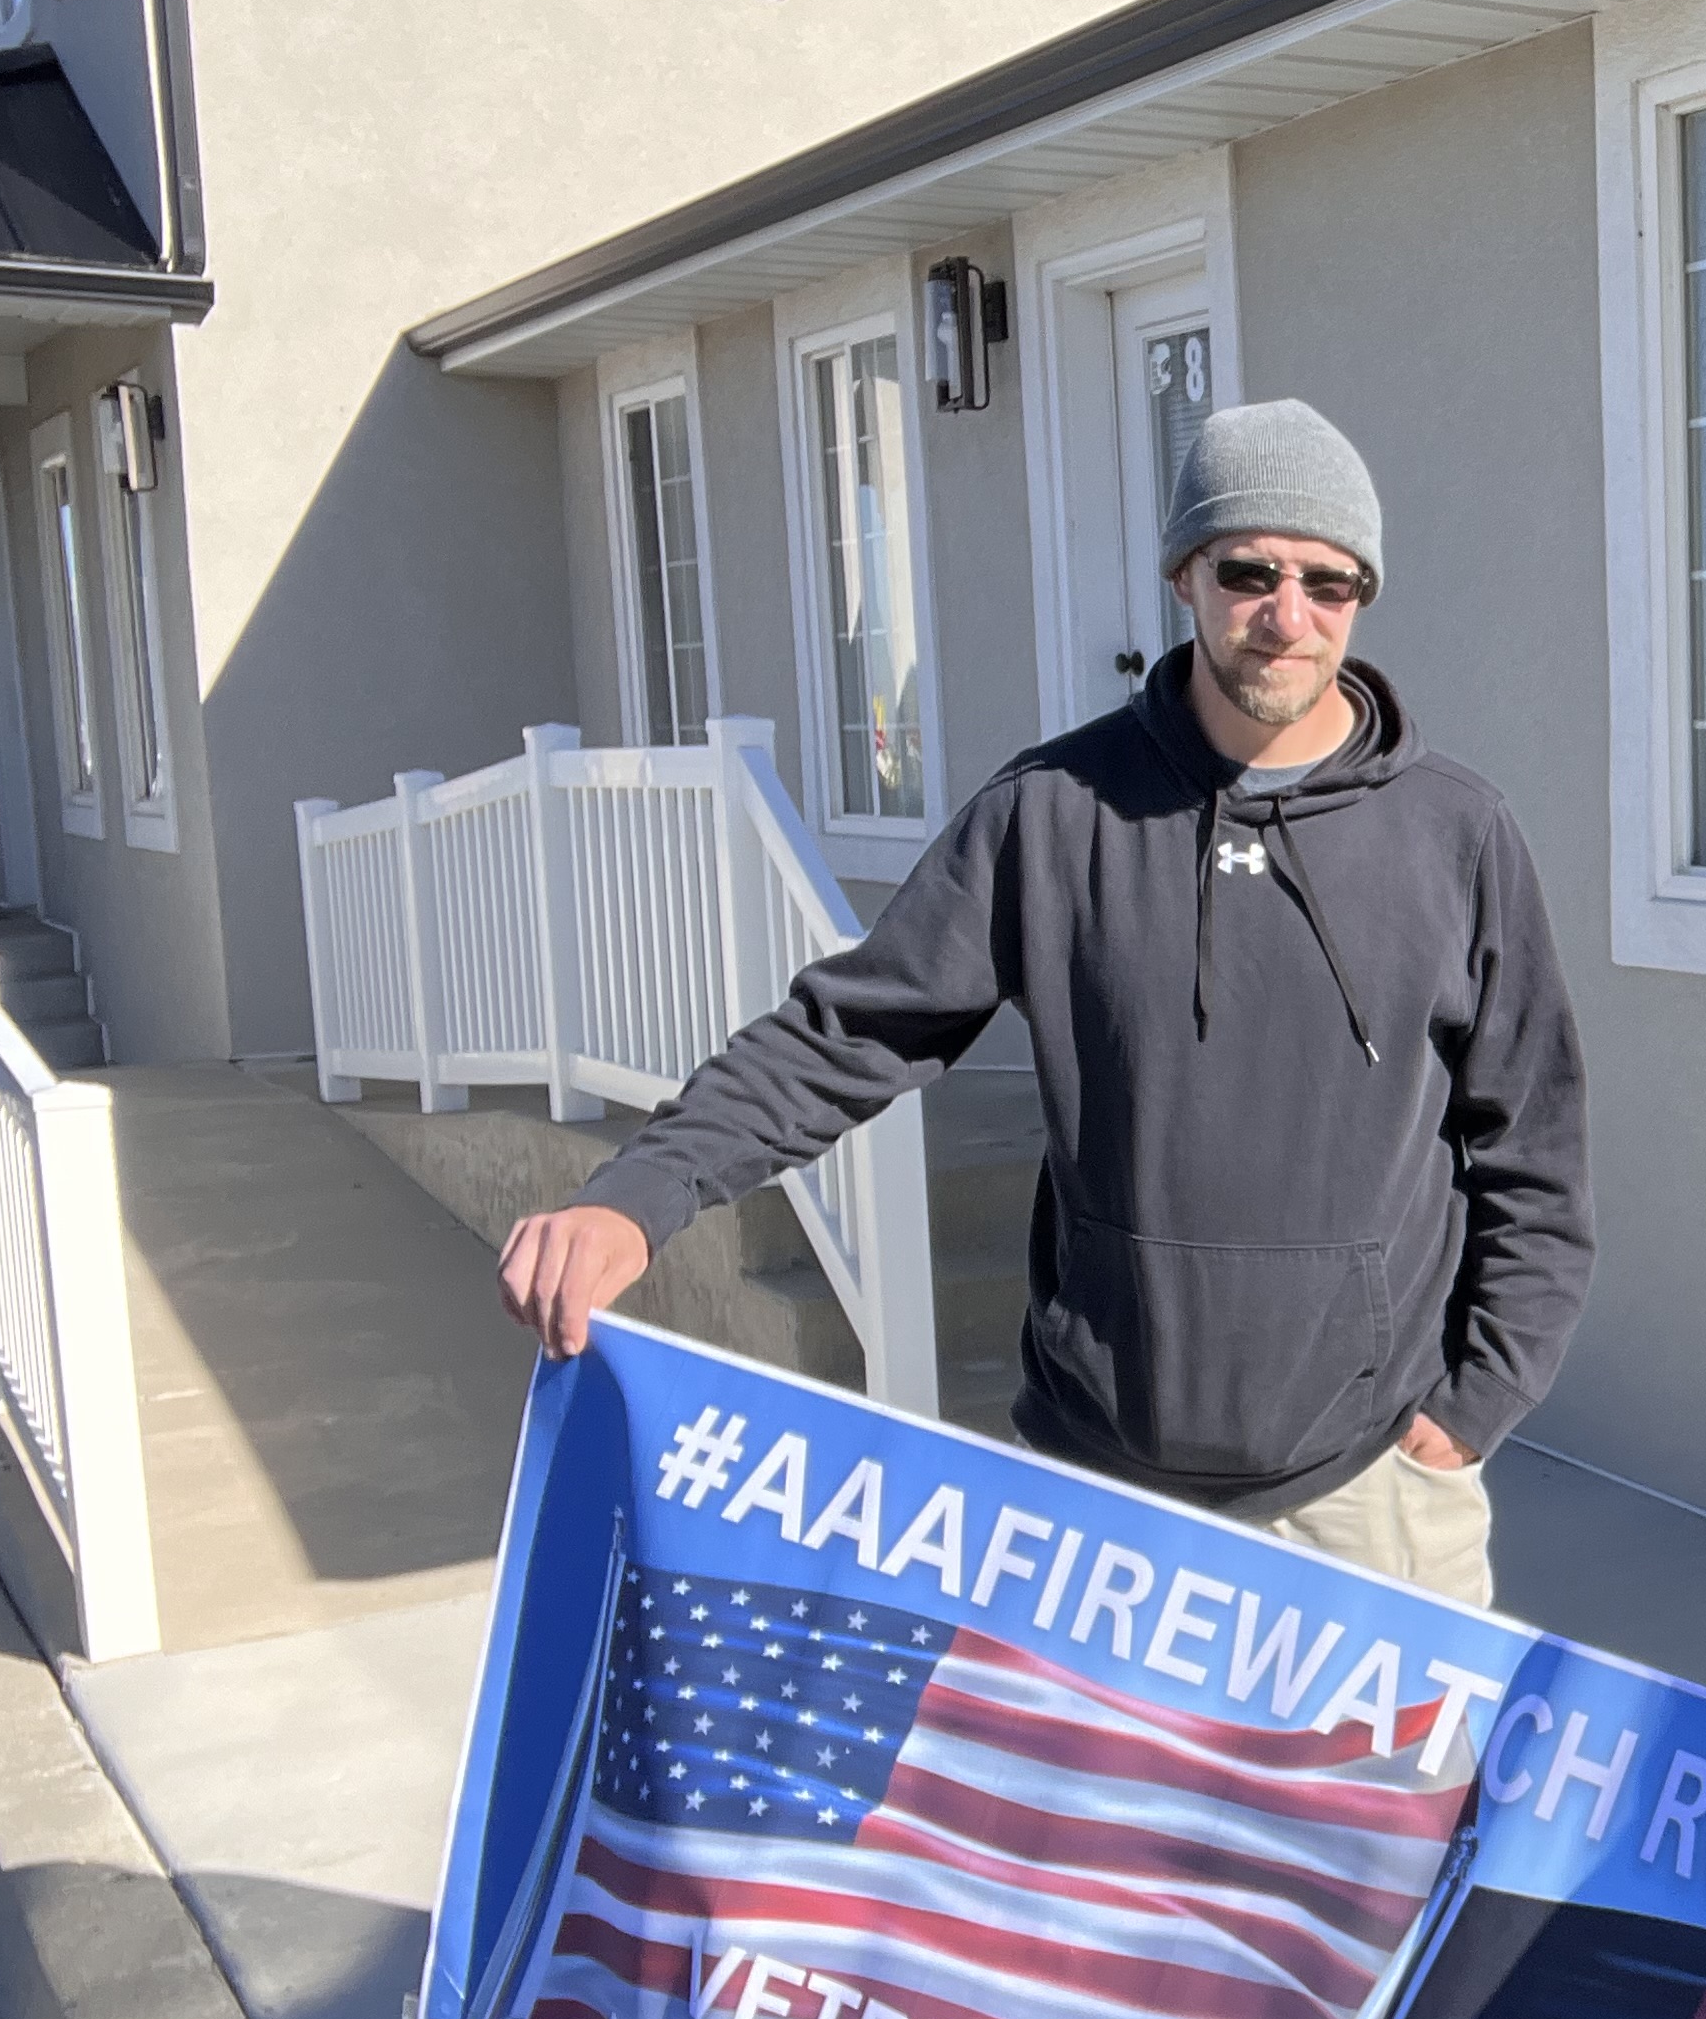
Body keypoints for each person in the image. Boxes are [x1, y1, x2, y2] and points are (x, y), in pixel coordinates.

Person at [498, 398, 1590, 1608]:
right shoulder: (1053, 814)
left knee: (1400, 1806)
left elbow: (1532, 1146)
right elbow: (849, 1032)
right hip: (1094, 1492)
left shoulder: (1456, 834)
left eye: (1329, 584)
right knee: (1086, 1806)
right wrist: (641, 1195)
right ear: (1185, 572)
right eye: (1250, 570)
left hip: (1369, 1497)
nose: (1288, 616)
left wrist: (1476, 1406)